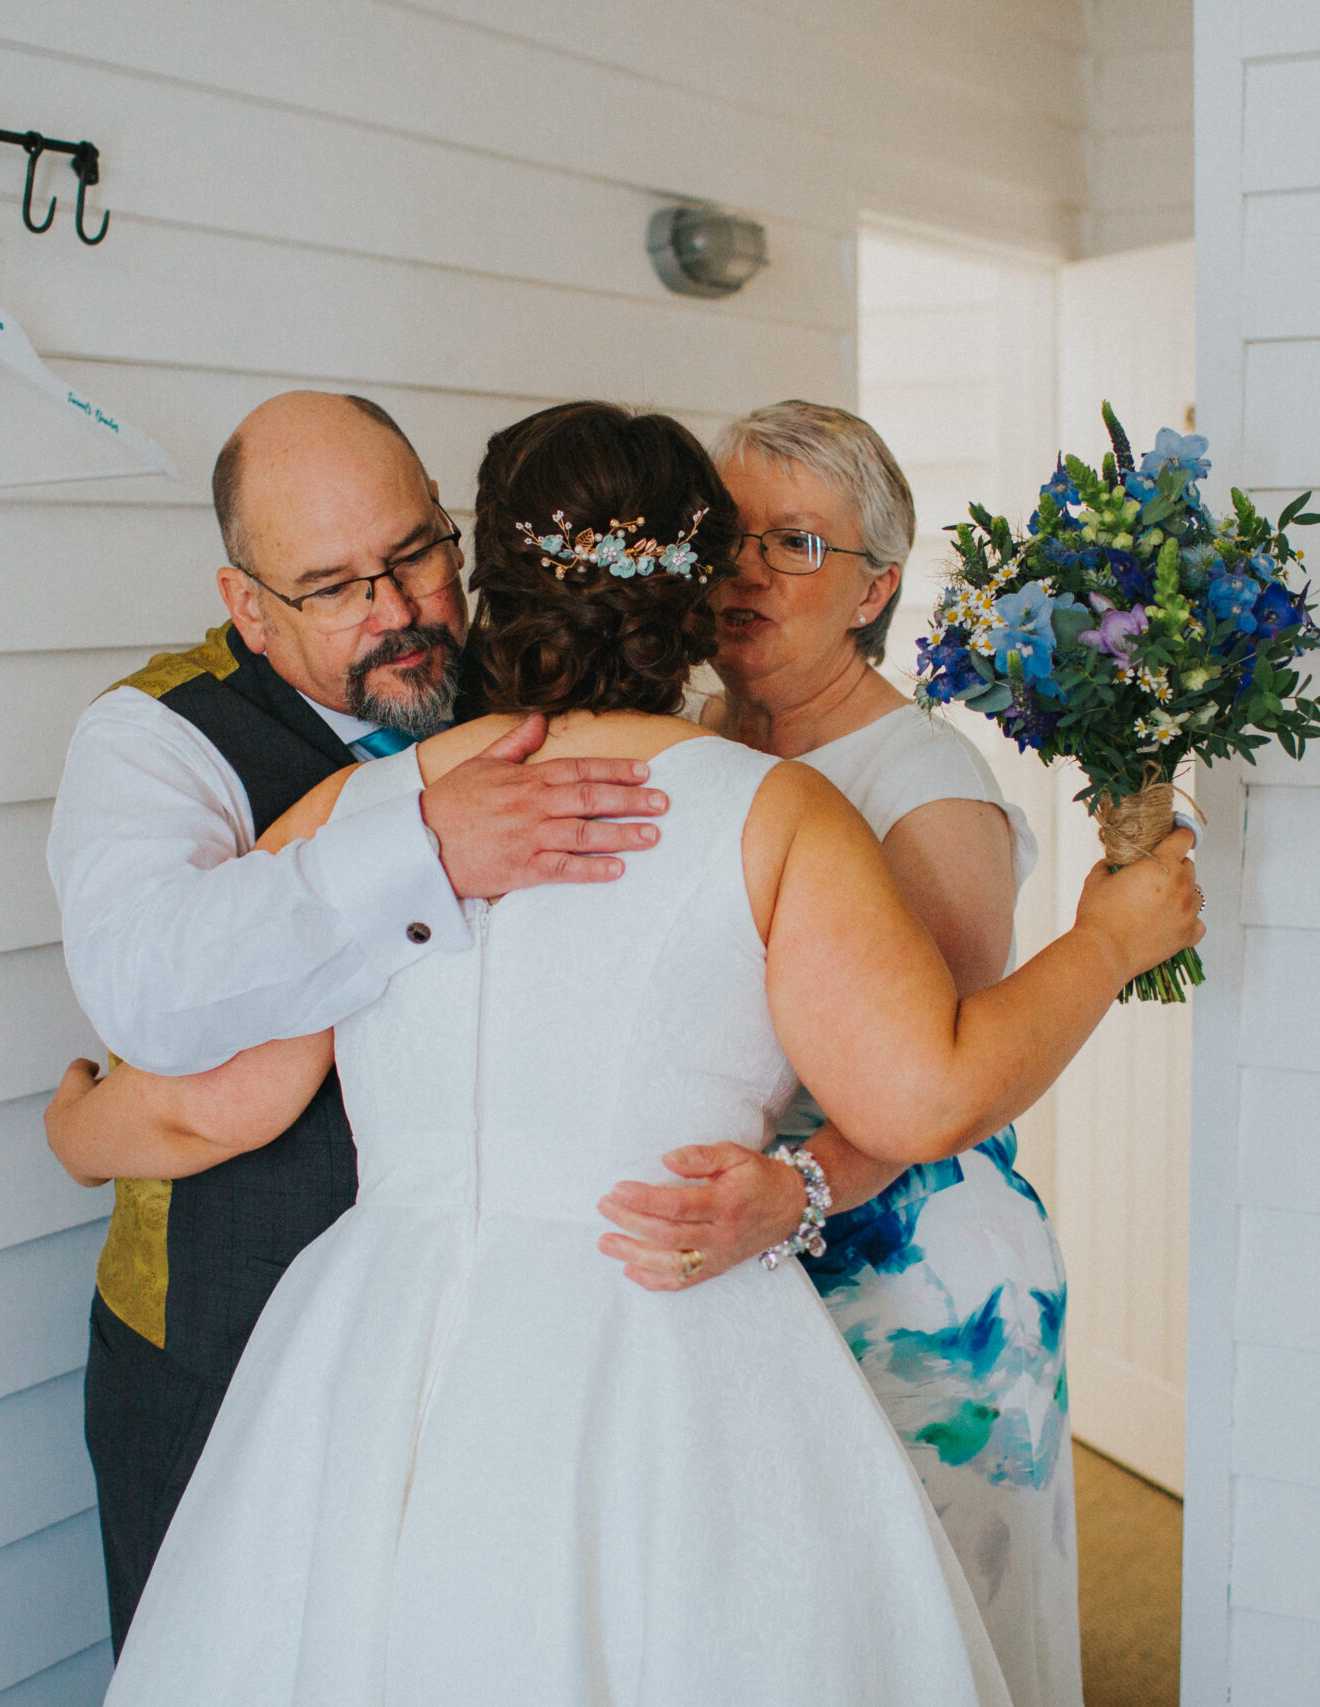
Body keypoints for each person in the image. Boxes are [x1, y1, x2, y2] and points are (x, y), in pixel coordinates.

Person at [59, 401, 1200, 1704]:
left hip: (385, 1341)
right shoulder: (777, 812)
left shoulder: (379, 812)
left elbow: (237, 1094)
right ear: (699, 588)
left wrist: (75, 1129)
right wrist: (1108, 939)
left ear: (487, 571)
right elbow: (924, 1088)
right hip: (664, 1332)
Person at [43, 390, 675, 1651]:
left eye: (415, 556)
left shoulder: (540, 677)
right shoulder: (153, 739)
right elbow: (156, 992)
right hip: (224, 1343)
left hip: (503, 1344)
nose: (395, 612)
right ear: (247, 607)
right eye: (333, 588)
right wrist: (417, 845)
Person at [593, 400, 1085, 1705]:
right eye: (732, 537)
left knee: (924, 1629)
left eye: (799, 543)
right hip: (739, 1253)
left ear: (877, 586)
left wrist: (798, 1189)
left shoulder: (921, 777)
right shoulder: (690, 735)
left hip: (912, 1268)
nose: (750, 570)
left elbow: (958, 1064)